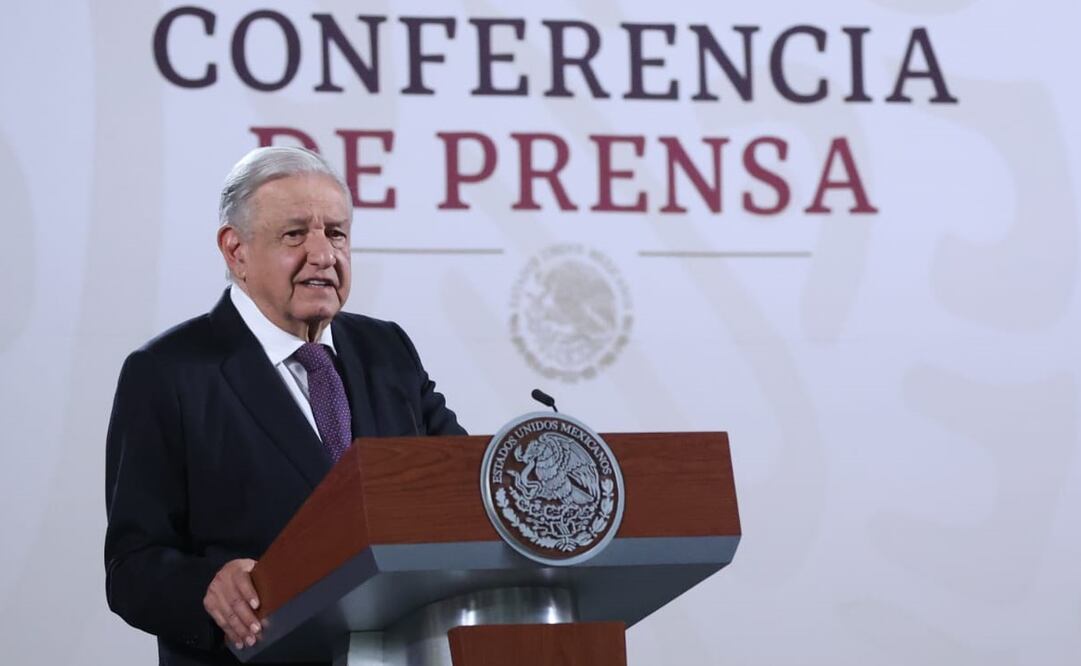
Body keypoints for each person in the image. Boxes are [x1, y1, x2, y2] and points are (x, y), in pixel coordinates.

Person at [104, 147, 465, 666]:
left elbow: (463, 482)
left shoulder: (388, 352)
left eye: (336, 233)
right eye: (295, 234)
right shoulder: (168, 373)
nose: (323, 254)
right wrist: (206, 585)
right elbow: (131, 566)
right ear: (236, 250)